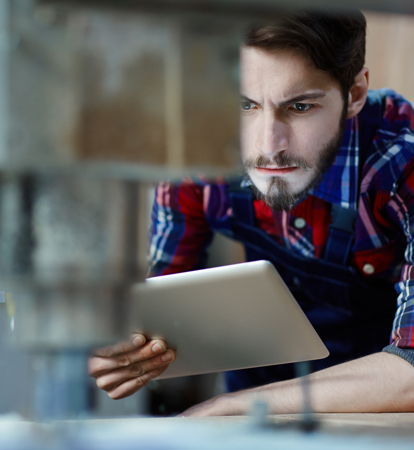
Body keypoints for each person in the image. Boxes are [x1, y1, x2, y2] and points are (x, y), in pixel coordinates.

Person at [89, 9, 414, 415]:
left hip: (383, 413)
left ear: (355, 94)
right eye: (244, 104)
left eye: (299, 107)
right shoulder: (195, 155)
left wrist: (236, 406)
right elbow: (164, 312)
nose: (269, 146)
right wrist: (127, 350)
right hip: (253, 405)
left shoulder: (401, 166)